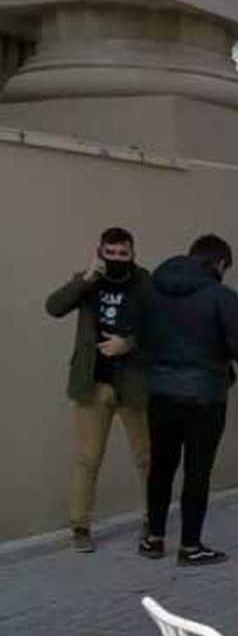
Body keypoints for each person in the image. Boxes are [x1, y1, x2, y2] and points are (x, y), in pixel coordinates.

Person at [139, 234, 238, 566]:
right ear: (219, 263)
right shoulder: (221, 296)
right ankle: (190, 547)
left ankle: (154, 538)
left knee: (161, 467)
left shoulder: (152, 289)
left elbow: (142, 339)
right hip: (206, 394)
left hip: (160, 391)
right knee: (197, 471)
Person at [45, 227, 153, 552]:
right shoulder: (88, 280)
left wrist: (128, 344)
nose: (117, 259)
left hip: (133, 384)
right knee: (88, 459)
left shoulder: (146, 283)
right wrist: (87, 278)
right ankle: (80, 526)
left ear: (133, 254)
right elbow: (54, 307)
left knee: (147, 457)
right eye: (111, 253)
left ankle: (153, 518)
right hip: (93, 383)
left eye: (124, 253)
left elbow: (162, 329)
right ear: (100, 252)